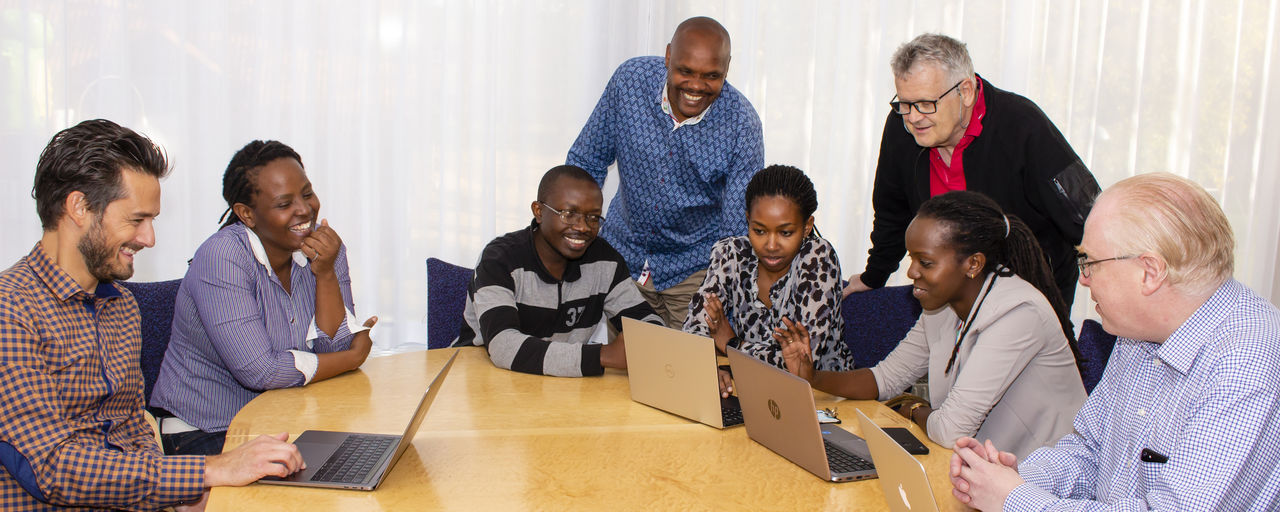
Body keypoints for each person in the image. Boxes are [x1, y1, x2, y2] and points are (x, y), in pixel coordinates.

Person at [0, 120, 303, 511]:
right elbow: (53, 468)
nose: (148, 239)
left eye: (152, 221)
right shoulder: (10, 310)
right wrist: (210, 471)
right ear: (78, 207)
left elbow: (132, 433)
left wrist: (182, 499)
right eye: (136, 219)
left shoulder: (121, 306)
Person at [949, 173, 1280, 511]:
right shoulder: (1139, 331)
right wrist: (1017, 478)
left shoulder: (1250, 360)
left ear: (1150, 271)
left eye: (1090, 261)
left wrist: (1015, 500)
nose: (1084, 279)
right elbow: (1091, 452)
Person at [785, 191, 1085, 459]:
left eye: (925, 262)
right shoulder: (943, 304)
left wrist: (913, 409)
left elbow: (950, 429)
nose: (912, 272)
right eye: (911, 258)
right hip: (980, 469)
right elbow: (886, 379)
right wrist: (812, 377)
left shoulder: (1019, 313)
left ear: (973, 264)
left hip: (1041, 484)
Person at [150, 140, 376, 456]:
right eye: (284, 204)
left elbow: (331, 349)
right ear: (247, 214)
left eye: (307, 193)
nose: (305, 209)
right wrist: (352, 358)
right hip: (206, 432)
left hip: (282, 424)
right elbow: (260, 371)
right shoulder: (222, 256)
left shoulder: (326, 250)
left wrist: (325, 275)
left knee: (371, 462)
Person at [845, 33, 1099, 311]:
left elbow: (1085, 210)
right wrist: (875, 275)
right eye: (904, 104)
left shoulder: (1023, 125)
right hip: (949, 292)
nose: (914, 117)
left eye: (926, 104)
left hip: (1029, 293)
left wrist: (1106, 275)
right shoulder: (902, 126)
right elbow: (892, 212)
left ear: (965, 92)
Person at [567, 16, 765, 328]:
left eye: (711, 76)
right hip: (622, 258)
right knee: (625, 368)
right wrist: (575, 235)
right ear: (668, 55)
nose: (696, 86)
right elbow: (585, 163)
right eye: (685, 71)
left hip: (693, 271)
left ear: (727, 69)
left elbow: (736, 230)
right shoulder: (629, 82)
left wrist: (723, 299)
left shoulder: (742, 124)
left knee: (684, 372)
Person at [453, 165, 663, 377]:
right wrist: (603, 355)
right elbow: (503, 347)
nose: (582, 227)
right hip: (484, 383)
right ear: (539, 211)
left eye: (593, 217)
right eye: (568, 214)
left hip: (559, 389)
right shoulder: (500, 259)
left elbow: (646, 322)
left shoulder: (605, 261)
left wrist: (649, 338)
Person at [684, 165, 854, 384]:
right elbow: (693, 330)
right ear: (748, 221)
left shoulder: (818, 258)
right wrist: (707, 368)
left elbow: (800, 362)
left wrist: (731, 345)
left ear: (807, 226)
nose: (771, 245)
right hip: (752, 386)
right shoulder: (730, 253)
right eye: (759, 231)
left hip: (823, 397)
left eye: (785, 233)